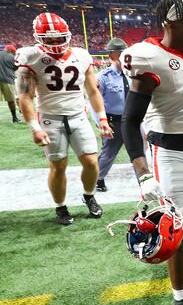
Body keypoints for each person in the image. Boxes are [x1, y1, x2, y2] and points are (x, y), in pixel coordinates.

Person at [120, 0, 183, 305]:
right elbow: (130, 122)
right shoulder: (148, 57)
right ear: (171, 26)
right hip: (168, 149)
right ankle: (179, 300)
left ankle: (173, 243)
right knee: (176, 227)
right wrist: (143, 173)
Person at [15, 12, 111, 225]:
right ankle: (61, 207)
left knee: (91, 162)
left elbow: (93, 91)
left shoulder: (81, 55)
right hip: (50, 119)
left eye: (60, 37)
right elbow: (25, 96)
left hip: (78, 116)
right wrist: (34, 128)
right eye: (50, 39)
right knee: (58, 166)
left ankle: (88, 195)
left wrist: (103, 119)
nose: (56, 42)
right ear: (39, 38)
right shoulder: (30, 57)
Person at [95, 38, 129, 192]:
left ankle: (144, 182)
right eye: (120, 53)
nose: (124, 56)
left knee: (140, 152)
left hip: (133, 120)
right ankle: (96, 179)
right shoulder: (103, 77)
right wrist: (101, 123)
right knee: (108, 154)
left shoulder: (132, 74)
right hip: (113, 122)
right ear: (111, 56)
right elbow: (94, 102)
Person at [0, 45, 20, 123]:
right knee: (11, 100)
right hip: (8, 80)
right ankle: (14, 118)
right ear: (12, 51)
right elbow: (16, 67)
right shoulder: (13, 57)